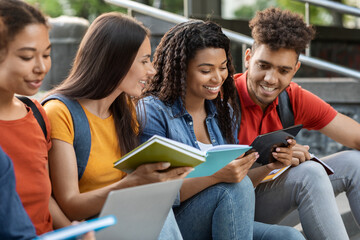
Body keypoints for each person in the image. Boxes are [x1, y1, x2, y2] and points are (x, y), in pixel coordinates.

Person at [139, 20, 305, 240]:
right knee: (233, 189)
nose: (217, 78)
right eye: (206, 70)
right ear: (181, 69)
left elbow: (239, 184)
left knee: (289, 237)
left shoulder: (223, 111)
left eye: (223, 66)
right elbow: (154, 194)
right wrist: (215, 176)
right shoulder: (153, 111)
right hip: (172, 225)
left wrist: (272, 166)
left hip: (219, 214)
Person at [43, 12, 193, 239]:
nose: (151, 70)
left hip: (123, 217)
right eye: (144, 61)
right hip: (89, 228)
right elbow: (71, 206)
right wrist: (134, 183)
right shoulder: (60, 112)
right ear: (116, 62)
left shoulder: (125, 111)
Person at [234, 7, 360, 240]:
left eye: (283, 70)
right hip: (231, 206)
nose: (271, 79)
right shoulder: (221, 100)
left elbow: (355, 137)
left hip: (271, 201)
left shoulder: (292, 98)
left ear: (295, 70)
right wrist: (273, 162)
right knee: (309, 173)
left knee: (354, 163)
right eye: (263, 65)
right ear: (248, 58)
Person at [0, 2, 94, 239]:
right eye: (27, 56)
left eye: (47, 54)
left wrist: (72, 230)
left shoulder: (37, 114)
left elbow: (43, 195)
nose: (41, 67)